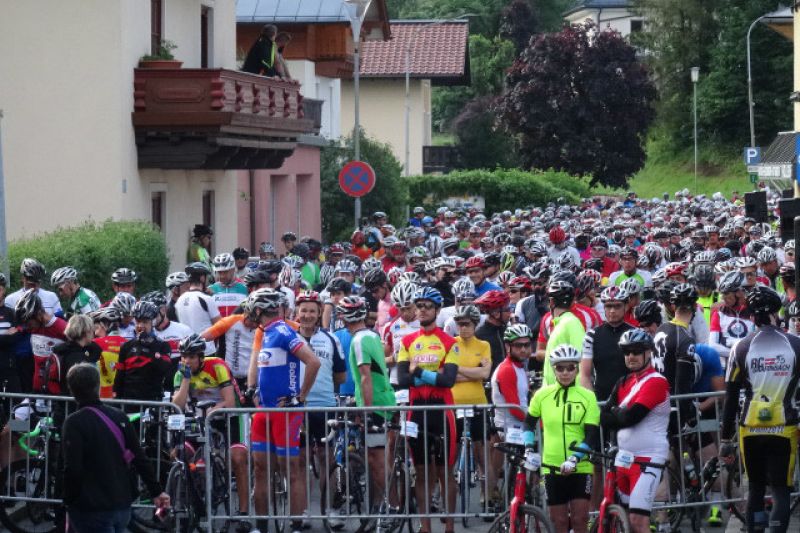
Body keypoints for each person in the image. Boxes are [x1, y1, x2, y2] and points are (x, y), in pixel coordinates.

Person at [720, 286, 800, 533]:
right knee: (780, 489)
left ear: (751, 317)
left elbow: (731, 396)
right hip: (784, 426)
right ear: (777, 313)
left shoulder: (740, 347)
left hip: (750, 427)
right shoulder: (796, 344)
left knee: (754, 486)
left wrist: (725, 438)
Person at [244, 288, 320, 533]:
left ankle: (297, 526)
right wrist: (253, 390)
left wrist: (300, 397)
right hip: (265, 411)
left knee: (291, 470)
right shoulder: (265, 333)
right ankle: (262, 527)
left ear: (258, 310)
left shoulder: (284, 331)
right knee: (260, 469)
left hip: (285, 414)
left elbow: (313, 361)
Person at [60, 363, 170, 533]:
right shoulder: (118, 416)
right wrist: (156, 491)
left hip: (91, 507)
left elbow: (73, 468)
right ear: (98, 386)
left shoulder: (74, 422)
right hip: (122, 504)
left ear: (71, 389)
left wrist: (67, 499)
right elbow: (139, 457)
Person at [396, 286, 458, 533]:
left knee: (445, 471)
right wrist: (432, 374)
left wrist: (419, 372)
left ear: (437, 310)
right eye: (418, 306)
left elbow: (449, 380)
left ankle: (450, 526)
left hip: (442, 411)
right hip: (416, 411)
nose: (422, 310)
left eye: (427, 306)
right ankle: (425, 527)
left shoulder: (449, 342)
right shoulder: (408, 341)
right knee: (420, 472)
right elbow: (402, 379)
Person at [171, 333, 250, 525]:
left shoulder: (217, 366)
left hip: (230, 414)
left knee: (238, 459)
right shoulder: (181, 372)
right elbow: (178, 405)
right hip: (202, 416)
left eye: (191, 357)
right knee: (181, 453)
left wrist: (212, 412)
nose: (187, 361)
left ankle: (244, 513)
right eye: (184, 356)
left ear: (200, 356)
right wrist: (186, 381)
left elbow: (230, 402)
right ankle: (196, 496)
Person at [600, 329, 670, 533]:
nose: (631, 356)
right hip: (624, 459)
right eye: (627, 352)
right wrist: (617, 413)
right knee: (626, 522)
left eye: (637, 352)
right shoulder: (623, 382)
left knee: (639, 521)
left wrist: (616, 413)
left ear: (648, 353)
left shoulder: (657, 381)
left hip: (647, 459)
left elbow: (631, 417)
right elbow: (604, 418)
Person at [525, 345, 599, 533]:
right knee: (558, 522)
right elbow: (528, 424)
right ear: (553, 368)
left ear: (577, 368)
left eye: (570, 367)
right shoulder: (541, 395)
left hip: (580, 467)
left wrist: (575, 459)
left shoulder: (588, 397)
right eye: (560, 368)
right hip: (552, 466)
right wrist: (528, 448)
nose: (565, 372)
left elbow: (591, 436)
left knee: (579, 520)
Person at [337, 295, 396, 517]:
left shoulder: (359, 340)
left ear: (344, 318)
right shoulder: (372, 334)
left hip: (377, 405)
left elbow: (365, 377)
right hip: (384, 399)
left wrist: (366, 410)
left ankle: (392, 506)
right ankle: (388, 505)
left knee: (376, 459)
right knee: (378, 457)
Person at [113, 301, 173, 402]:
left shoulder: (162, 345)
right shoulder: (126, 346)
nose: (140, 325)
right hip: (129, 401)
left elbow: (165, 370)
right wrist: (116, 396)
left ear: (152, 322)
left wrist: (150, 347)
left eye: (145, 322)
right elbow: (119, 376)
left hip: (152, 401)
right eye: (138, 321)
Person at [176, 262, 221, 354]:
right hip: (206, 351)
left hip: (187, 351)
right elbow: (220, 325)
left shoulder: (179, 300)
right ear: (202, 278)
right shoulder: (207, 299)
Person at [89, 307, 127, 398]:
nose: (96, 333)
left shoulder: (94, 343)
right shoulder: (128, 343)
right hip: (122, 396)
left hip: (100, 396)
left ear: (104, 325)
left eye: (96, 328)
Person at [209, 253, 248, 318]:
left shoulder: (245, 288)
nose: (222, 276)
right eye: (219, 272)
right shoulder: (210, 289)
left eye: (225, 272)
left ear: (233, 269)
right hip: (218, 327)